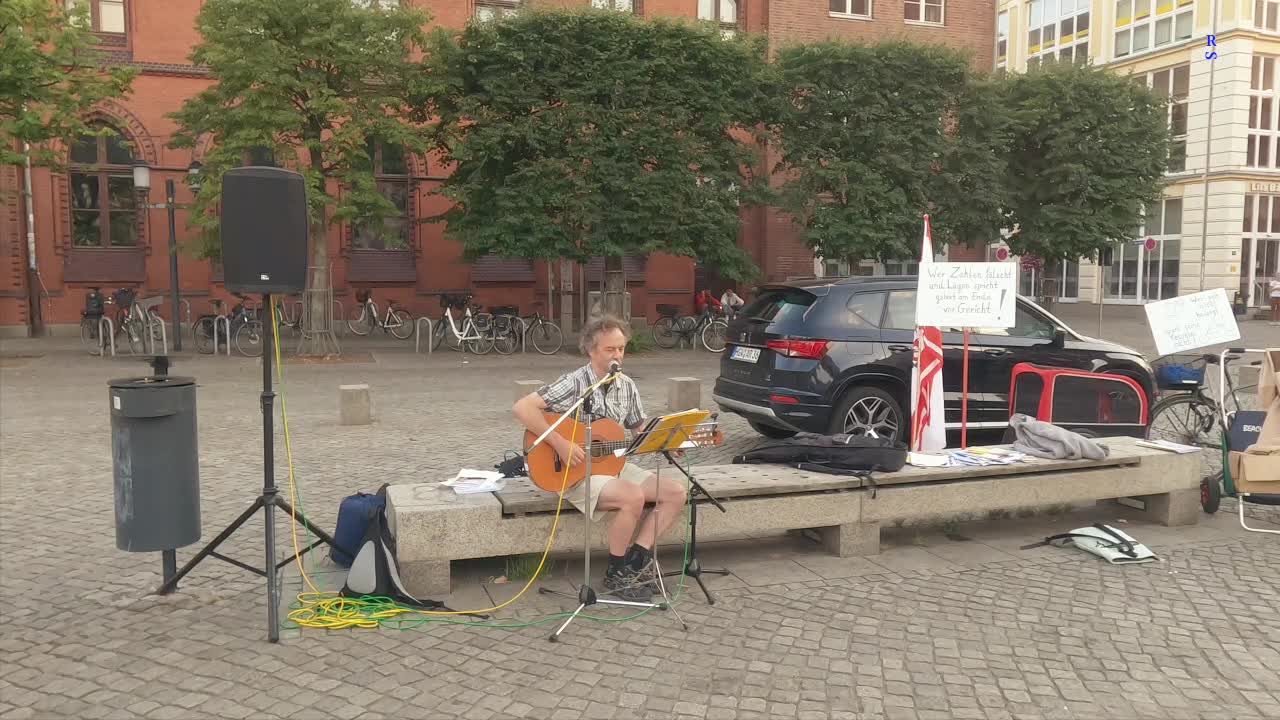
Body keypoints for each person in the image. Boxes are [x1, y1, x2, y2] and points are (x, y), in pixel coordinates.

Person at [512, 314, 687, 601]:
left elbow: (638, 428)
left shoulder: (627, 385)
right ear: (591, 350)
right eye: (610, 349)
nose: (617, 355)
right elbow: (523, 408)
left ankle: (635, 561)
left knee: (675, 492)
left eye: (621, 348)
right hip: (575, 470)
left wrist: (664, 441)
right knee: (632, 496)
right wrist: (560, 444)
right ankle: (615, 572)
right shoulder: (576, 383)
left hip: (614, 465)